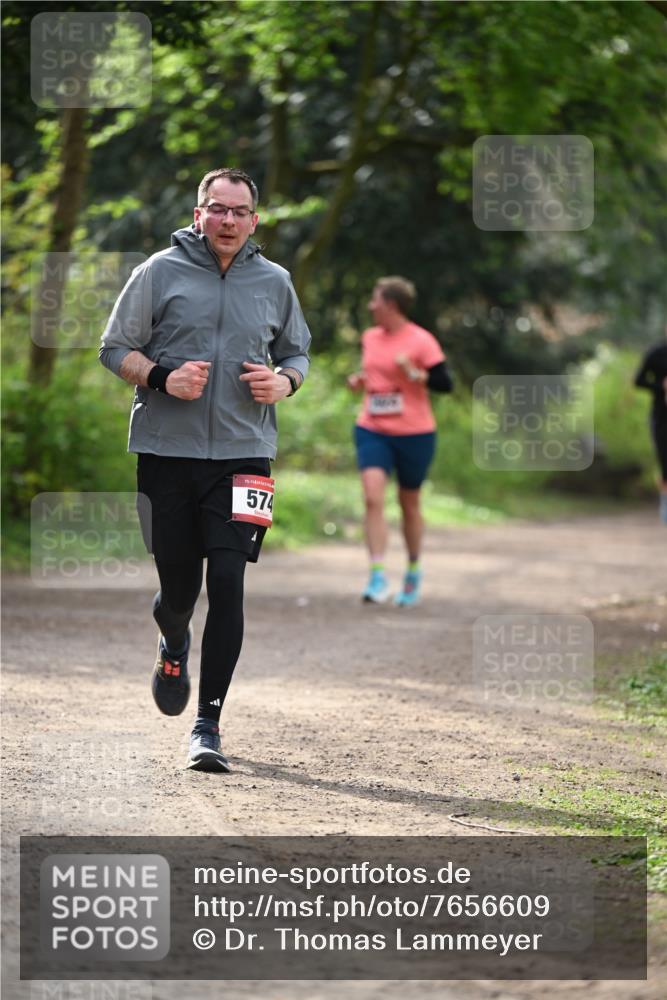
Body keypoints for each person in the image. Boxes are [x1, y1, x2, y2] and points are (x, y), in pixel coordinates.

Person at [100, 167, 311, 772]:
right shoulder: (157, 272)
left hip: (246, 454)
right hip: (167, 453)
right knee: (179, 589)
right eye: (217, 209)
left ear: (254, 220)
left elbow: (297, 351)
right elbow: (113, 348)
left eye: (239, 212)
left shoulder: (275, 281)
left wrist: (285, 381)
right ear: (198, 214)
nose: (227, 221)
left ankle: (207, 725)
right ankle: (173, 639)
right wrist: (163, 377)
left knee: (228, 577)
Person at [347, 276, 453, 606]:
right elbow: (374, 375)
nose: (371, 306)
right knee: (372, 497)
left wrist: (416, 373)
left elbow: (445, 383)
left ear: (391, 305)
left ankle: (413, 570)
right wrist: (360, 381)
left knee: (409, 503)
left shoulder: (422, 340)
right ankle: (377, 575)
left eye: (375, 300)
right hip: (373, 428)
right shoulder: (370, 337)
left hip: (415, 433)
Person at [634, 339, 667, 524]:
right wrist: (661, 387)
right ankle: (666, 503)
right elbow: (639, 381)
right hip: (662, 416)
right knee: (665, 460)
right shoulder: (657, 354)